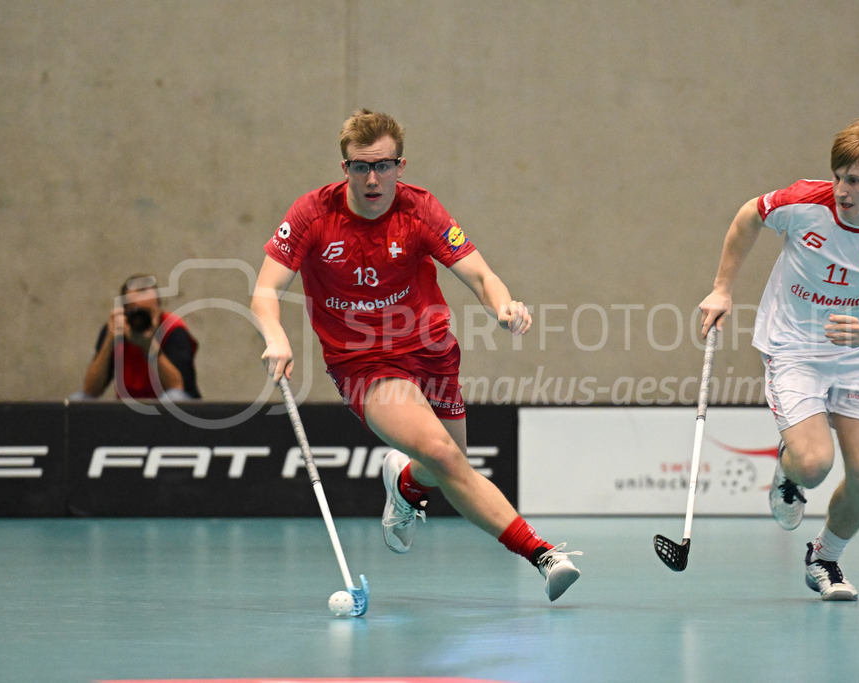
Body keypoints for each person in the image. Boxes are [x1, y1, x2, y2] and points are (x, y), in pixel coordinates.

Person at [250, 109, 581, 602]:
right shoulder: (312, 216)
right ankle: (543, 554)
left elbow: (481, 276)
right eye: (360, 167)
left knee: (443, 464)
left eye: (383, 165)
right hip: (365, 364)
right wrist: (275, 335)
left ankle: (405, 485)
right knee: (446, 456)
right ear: (345, 168)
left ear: (400, 166)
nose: (372, 177)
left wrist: (503, 306)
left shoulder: (421, 210)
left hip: (432, 352)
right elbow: (264, 291)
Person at [698, 114, 859, 600]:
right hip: (793, 346)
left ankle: (824, 558)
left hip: (857, 347)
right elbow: (748, 216)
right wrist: (721, 289)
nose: (842, 188)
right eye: (839, 174)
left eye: (855, 180)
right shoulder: (805, 201)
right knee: (815, 463)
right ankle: (789, 470)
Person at [76, 274, 200, 401]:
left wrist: (150, 347)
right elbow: (90, 390)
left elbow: (176, 387)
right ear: (124, 311)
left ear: (159, 308)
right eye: (136, 312)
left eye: (147, 313)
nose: (141, 320)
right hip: (129, 408)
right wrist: (109, 340)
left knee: (174, 398)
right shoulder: (116, 330)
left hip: (172, 410)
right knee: (78, 400)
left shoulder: (173, 329)